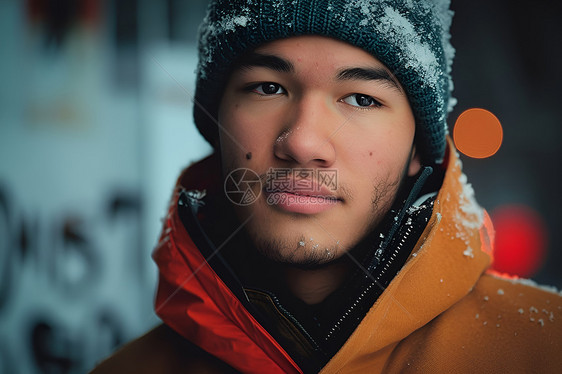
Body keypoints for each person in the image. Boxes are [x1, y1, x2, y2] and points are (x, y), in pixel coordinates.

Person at [91, 0, 562, 373]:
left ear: (418, 146)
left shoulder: (545, 352)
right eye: (267, 87)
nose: (302, 142)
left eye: (361, 98)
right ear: (217, 121)